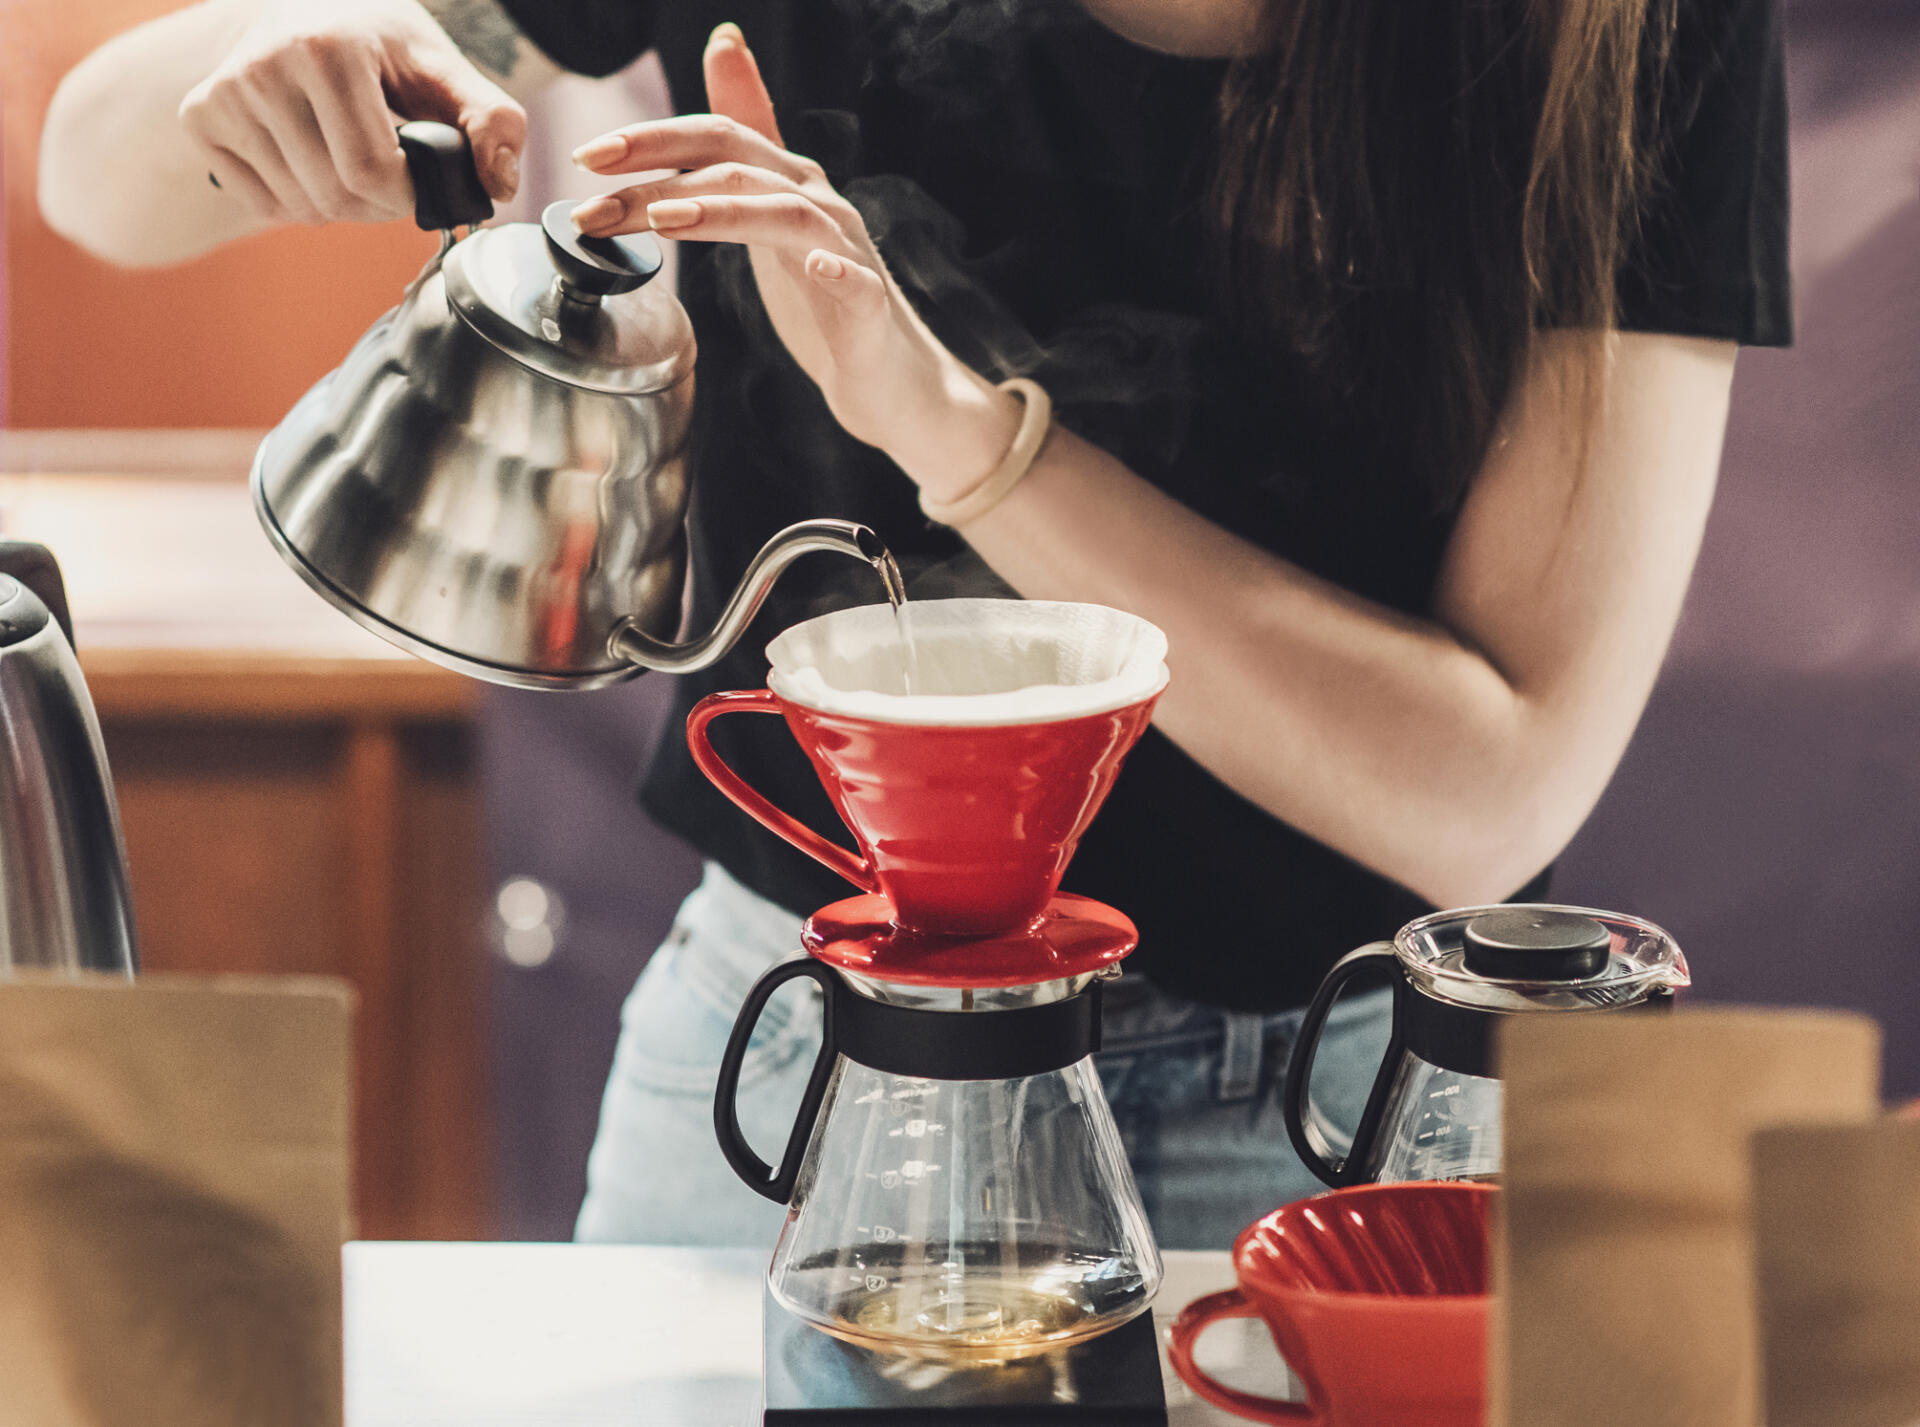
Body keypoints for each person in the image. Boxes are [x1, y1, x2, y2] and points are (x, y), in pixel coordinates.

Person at [40, 0, 1789, 1249]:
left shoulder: (1621, 34)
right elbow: (91, 175)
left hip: (1331, 1115)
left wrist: (962, 430)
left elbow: (1487, 785)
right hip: (796, 1044)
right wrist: (267, 55)